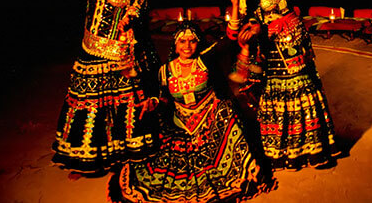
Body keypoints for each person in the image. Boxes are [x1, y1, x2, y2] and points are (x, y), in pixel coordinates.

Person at [52, 0, 166, 175]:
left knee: (122, 106)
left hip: (120, 55)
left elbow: (137, 10)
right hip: (90, 49)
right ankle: (85, 158)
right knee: (88, 104)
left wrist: (130, 18)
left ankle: (126, 157)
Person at [225, 0, 338, 170]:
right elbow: (234, 32)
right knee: (284, 96)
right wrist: (235, 5)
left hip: (298, 42)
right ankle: (287, 152)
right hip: (275, 51)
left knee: (308, 90)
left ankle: (315, 149)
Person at [109, 22, 274, 203]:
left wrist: (237, 16)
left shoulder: (205, 61)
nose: (187, 46)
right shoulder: (165, 71)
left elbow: (227, 43)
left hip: (210, 119)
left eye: (192, 41)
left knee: (226, 110)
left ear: (198, 43)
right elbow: (162, 96)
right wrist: (154, 102)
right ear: (175, 45)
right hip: (180, 123)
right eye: (182, 41)